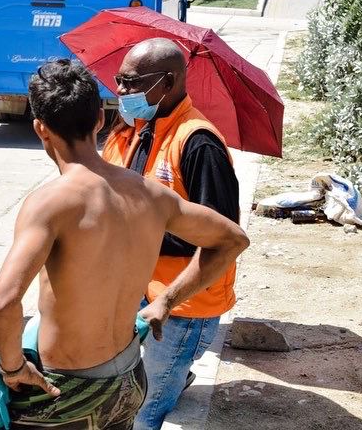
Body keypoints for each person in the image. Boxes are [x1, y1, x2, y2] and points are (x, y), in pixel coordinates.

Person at [0, 59, 248, 430]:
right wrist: (166, 301)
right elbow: (233, 239)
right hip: (128, 380)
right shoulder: (151, 194)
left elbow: (4, 303)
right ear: (100, 120)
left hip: (68, 391)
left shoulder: (51, 203)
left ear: (41, 129)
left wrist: (13, 368)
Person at [101, 38, 241, 430]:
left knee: (144, 413)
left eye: (131, 82)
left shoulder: (199, 144)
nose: (122, 91)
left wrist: (134, 234)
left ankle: (173, 380)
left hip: (181, 307)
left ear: (166, 81)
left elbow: (221, 240)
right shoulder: (141, 129)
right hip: (142, 294)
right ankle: (175, 379)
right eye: (119, 80)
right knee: (126, 392)